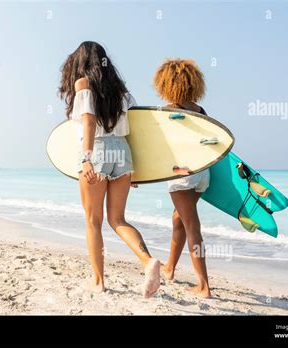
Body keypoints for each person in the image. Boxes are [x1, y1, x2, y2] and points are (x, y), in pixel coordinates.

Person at [59, 41, 161, 298]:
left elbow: (89, 122)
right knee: (118, 220)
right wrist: (138, 169)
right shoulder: (122, 92)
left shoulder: (83, 85)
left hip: (98, 152)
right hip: (124, 153)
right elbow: (139, 129)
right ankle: (148, 261)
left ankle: (98, 281)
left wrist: (86, 159)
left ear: (81, 63)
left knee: (93, 222)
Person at [153, 59, 211, 298]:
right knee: (179, 219)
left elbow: (156, 146)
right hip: (202, 174)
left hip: (180, 175)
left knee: (192, 227)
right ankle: (169, 268)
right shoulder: (200, 112)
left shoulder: (168, 111)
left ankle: (204, 286)